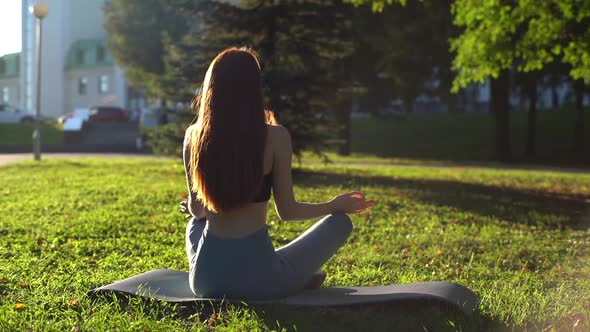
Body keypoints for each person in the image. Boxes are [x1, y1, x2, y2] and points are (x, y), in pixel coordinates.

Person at [180, 47, 374, 300]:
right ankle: (294, 278)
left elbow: (198, 211)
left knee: (195, 224)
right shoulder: (276, 137)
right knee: (340, 223)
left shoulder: (193, 137)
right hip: (262, 282)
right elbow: (288, 211)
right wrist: (334, 205)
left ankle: (292, 275)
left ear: (212, 87)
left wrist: (193, 209)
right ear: (253, 88)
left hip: (205, 283)